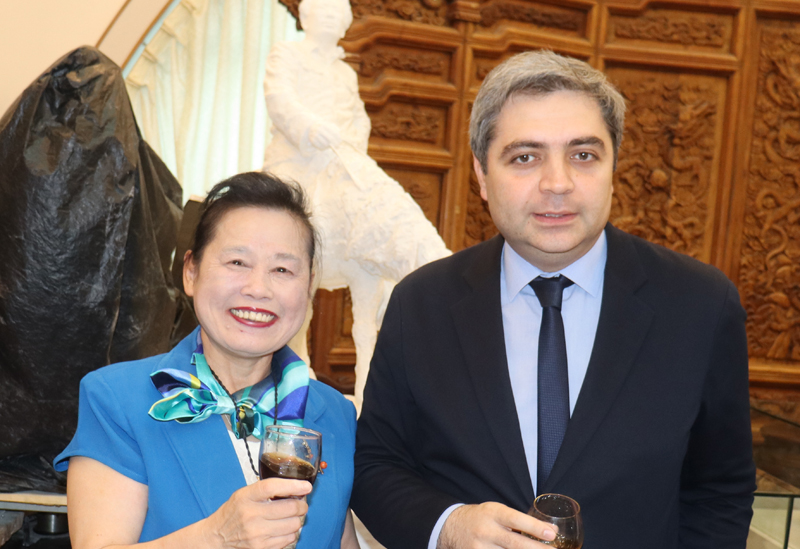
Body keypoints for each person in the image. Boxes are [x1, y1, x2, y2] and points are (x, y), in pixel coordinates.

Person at [351, 50, 755, 548]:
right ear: (481, 175)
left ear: (613, 167)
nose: (558, 183)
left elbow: (720, 491)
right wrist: (448, 526)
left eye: (583, 155)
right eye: (525, 157)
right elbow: (377, 463)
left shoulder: (701, 306)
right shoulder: (419, 305)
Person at [55, 172, 360, 549]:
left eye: (282, 269)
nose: (258, 289)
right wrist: (217, 537)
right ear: (191, 272)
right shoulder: (116, 399)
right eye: (237, 262)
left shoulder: (334, 413)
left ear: (309, 285)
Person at [262, 0, 450, 408]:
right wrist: (311, 129)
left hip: (340, 159)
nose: (331, 15)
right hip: (296, 159)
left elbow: (360, 119)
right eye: (323, 8)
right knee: (289, 227)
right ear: (306, 16)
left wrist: (350, 146)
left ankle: (427, 270)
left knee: (376, 197)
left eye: (338, 10)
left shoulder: (345, 72)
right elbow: (280, 98)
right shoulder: (287, 54)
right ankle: (291, 360)